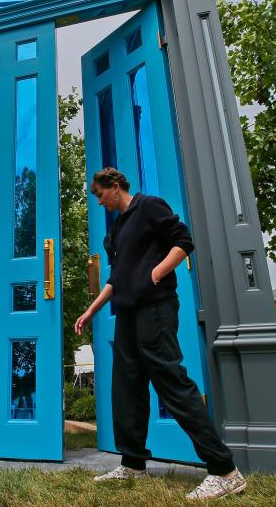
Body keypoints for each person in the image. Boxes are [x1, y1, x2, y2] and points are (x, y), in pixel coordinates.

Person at [74, 168, 246, 500]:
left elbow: (183, 242)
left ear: (114, 186)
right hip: (126, 313)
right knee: (127, 387)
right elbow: (116, 278)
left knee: (170, 382)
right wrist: (92, 309)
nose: (98, 202)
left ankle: (225, 470)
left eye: (99, 194)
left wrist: (155, 274)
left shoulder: (150, 207)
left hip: (155, 307)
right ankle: (133, 463)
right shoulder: (117, 230)